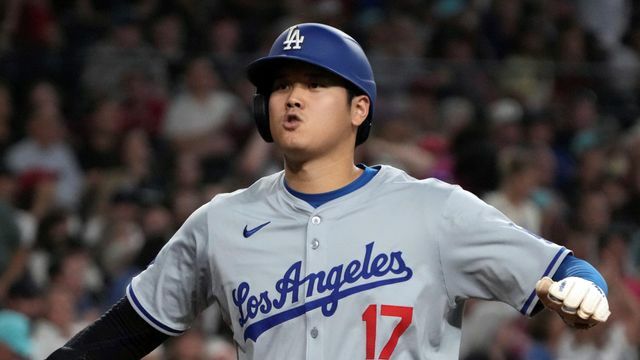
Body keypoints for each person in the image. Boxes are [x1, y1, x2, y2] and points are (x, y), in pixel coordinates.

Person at [48, 23, 611, 360]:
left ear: (358, 109)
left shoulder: (434, 210)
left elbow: (568, 271)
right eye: (280, 86)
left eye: (315, 84)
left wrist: (586, 293)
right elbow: (126, 331)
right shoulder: (219, 222)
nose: (292, 97)